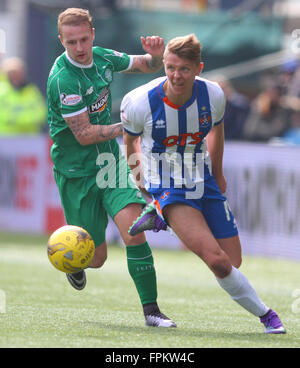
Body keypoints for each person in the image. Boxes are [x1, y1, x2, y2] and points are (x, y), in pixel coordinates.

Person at [121, 34, 286, 334]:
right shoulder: (140, 102)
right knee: (218, 262)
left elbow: (216, 133)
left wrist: (218, 174)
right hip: (167, 184)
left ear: (199, 68)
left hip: (203, 179)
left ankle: (158, 216)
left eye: (184, 68)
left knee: (232, 261)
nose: (175, 75)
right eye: (170, 67)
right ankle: (267, 316)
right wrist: (141, 182)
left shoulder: (213, 95)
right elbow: (129, 142)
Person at [46, 7, 175, 328]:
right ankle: (73, 263)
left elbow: (145, 64)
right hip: (75, 172)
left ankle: (152, 312)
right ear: (61, 40)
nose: (79, 47)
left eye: (84, 39)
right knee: (97, 257)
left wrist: (156, 56)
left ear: (92, 34)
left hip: (109, 162)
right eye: (71, 42)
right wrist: (130, 125)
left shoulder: (101, 57)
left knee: (134, 231)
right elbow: (84, 134)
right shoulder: (64, 79)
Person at [0, 57, 47, 135]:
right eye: (12, 72)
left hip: (29, 139)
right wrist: (28, 119)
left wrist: (17, 119)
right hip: (6, 139)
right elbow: (3, 116)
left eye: (18, 72)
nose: (15, 75)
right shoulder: (2, 91)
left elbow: (42, 113)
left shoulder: (32, 91)